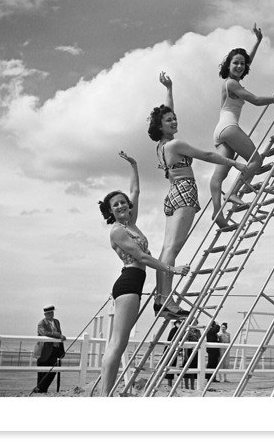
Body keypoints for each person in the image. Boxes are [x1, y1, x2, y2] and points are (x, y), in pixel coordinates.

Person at [148, 72, 248, 316]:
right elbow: (208, 156)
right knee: (172, 250)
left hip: (172, 195)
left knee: (165, 249)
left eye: (174, 119)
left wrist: (169, 89)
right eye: (169, 121)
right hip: (184, 193)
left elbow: (165, 112)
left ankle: (161, 298)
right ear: (160, 127)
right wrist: (234, 164)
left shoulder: (161, 145)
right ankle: (167, 301)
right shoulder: (175, 144)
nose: (173, 121)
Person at [97, 151, 190, 396]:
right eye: (115, 204)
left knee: (120, 343)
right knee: (117, 344)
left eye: (122, 202)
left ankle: (106, 393)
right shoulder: (118, 231)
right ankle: (105, 395)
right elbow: (143, 258)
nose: (121, 205)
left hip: (134, 283)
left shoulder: (131, 223)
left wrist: (134, 166)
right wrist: (172, 269)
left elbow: (135, 192)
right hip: (128, 282)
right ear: (111, 211)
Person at [210, 24, 274, 228]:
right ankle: (234, 193)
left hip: (220, 130)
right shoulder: (232, 83)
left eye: (241, 64)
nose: (239, 66)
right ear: (228, 65)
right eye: (235, 63)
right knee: (256, 160)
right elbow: (255, 100)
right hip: (229, 127)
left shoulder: (233, 81)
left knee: (219, 175)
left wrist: (257, 41)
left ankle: (217, 215)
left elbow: (247, 61)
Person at [32, 305, 66, 394]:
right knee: (42, 372)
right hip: (44, 351)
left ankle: (40, 388)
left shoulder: (57, 322)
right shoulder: (41, 323)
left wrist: (61, 349)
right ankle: (41, 390)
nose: (51, 314)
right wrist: (58, 335)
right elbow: (44, 333)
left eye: (52, 312)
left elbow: (60, 334)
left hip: (55, 350)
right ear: (45, 314)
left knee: (53, 371)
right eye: (49, 313)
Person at [183, 319, 201, 390]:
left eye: (196, 323)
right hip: (188, 350)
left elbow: (200, 339)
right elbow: (185, 340)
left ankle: (192, 386)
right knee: (187, 368)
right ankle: (186, 386)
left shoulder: (198, 331)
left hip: (195, 350)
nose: (194, 324)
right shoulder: (187, 331)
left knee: (194, 368)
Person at [165, 319, 182, 387]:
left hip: (175, 349)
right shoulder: (174, 330)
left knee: (173, 365)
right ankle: (169, 384)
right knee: (170, 366)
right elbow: (171, 339)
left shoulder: (179, 330)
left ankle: (171, 383)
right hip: (171, 350)